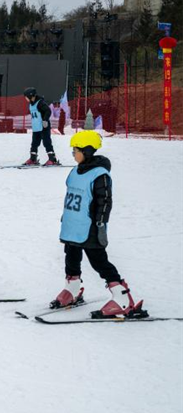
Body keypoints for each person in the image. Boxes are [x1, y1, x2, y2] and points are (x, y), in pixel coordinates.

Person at [51, 130, 145, 318]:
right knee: (71, 257)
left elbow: (105, 202)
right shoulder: (75, 171)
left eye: (75, 150)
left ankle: (123, 298)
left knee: (98, 261)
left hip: (90, 227)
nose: (73, 154)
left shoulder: (100, 175)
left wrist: (101, 225)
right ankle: (72, 289)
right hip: (72, 226)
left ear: (86, 151)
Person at [23, 87, 59, 166]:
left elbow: (48, 111)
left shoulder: (40, 103)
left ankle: (52, 159)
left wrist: (45, 120)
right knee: (34, 143)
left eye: (26, 97)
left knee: (46, 142)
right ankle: (33, 159)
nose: (25, 98)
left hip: (43, 126)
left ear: (31, 96)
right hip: (36, 127)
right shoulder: (31, 104)